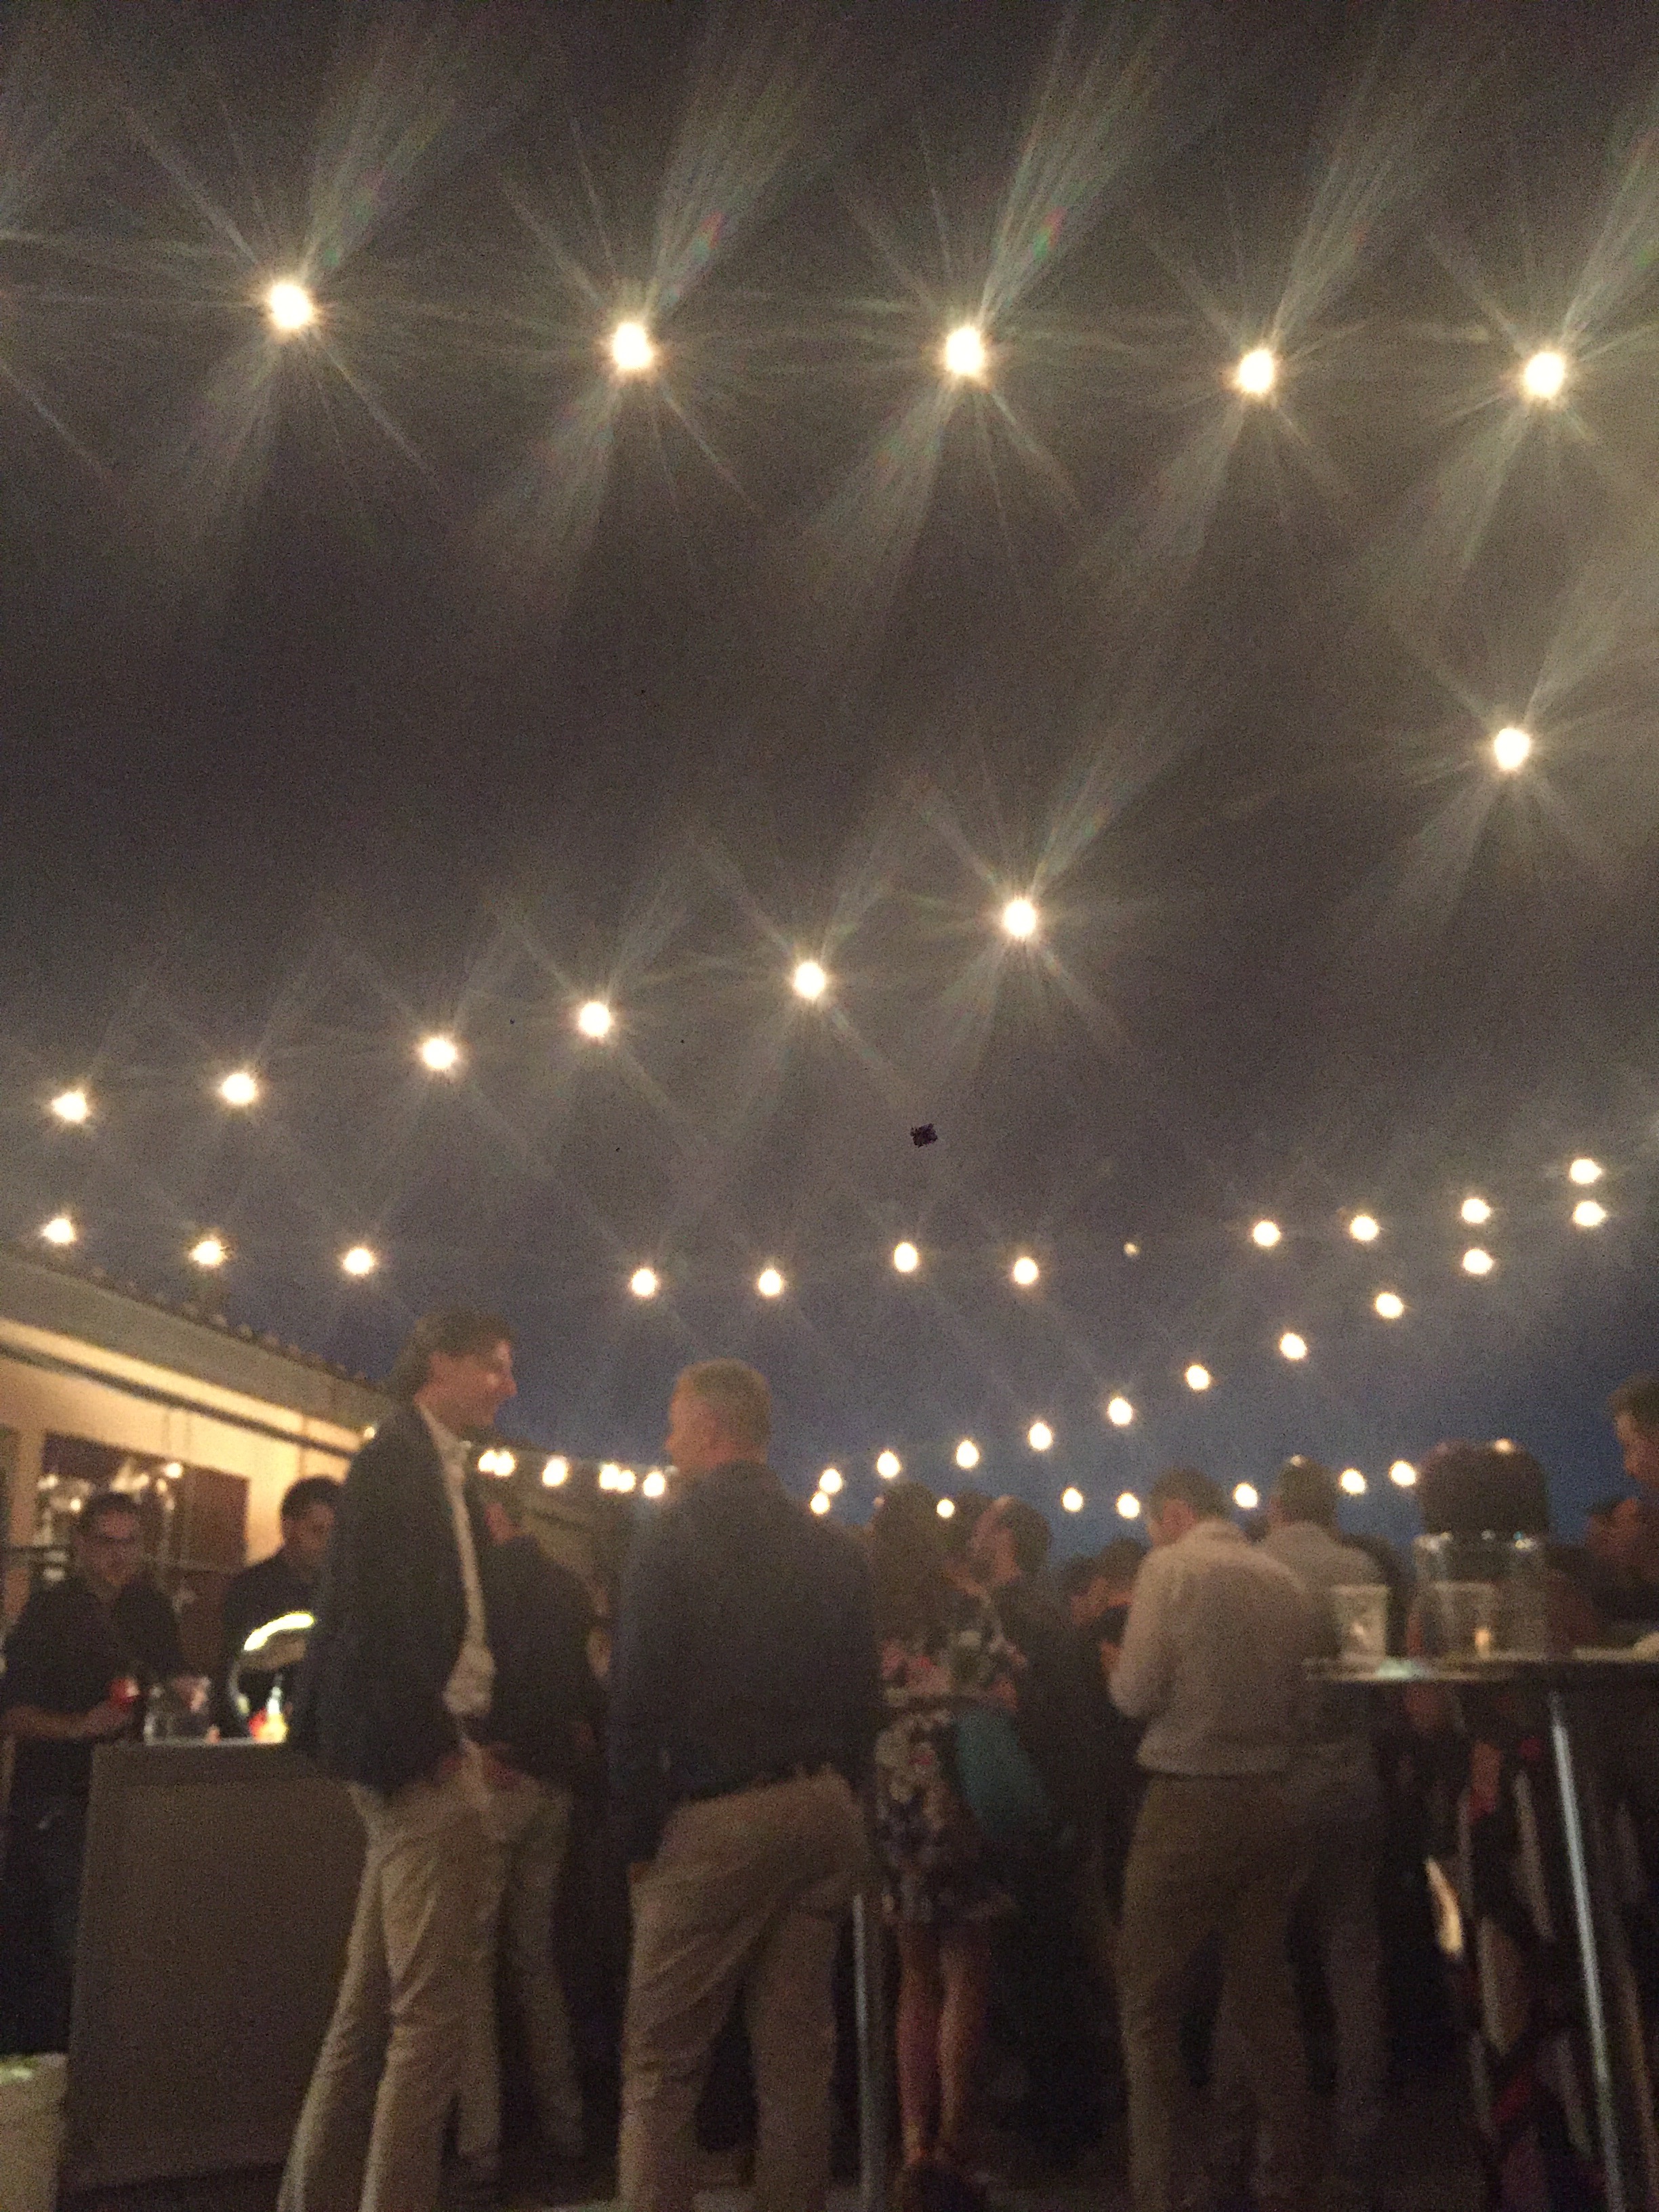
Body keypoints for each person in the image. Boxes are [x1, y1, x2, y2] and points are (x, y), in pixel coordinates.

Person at [610, 1359, 876, 2212]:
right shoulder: (833, 1549)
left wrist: (635, 1839)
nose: (667, 1442)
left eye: (675, 1424)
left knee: (662, 2063)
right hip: (820, 1808)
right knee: (797, 2060)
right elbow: (863, 1700)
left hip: (718, 1815)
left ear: (712, 1430)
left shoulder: (669, 1538)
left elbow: (636, 1699)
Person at [279, 1310, 516, 2212]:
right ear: (440, 1362)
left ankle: (314, 2198)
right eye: (495, 1366)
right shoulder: (399, 1467)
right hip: (421, 1765)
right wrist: (437, 1747)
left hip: (415, 1757)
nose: (508, 1387)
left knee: (366, 2014)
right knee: (429, 2025)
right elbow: (381, 1625)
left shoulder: (418, 1464)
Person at [1111, 1464, 1317, 2212]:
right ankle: (1287, 2181)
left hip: (1187, 1800)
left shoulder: (1169, 1570)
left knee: (1150, 2005)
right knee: (1266, 1999)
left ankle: (1166, 2191)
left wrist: (1116, 1669)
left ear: (1172, 1513)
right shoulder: (1283, 1582)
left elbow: (1135, 1694)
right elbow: (1302, 1703)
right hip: (1270, 1797)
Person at [1213, 1458, 1387, 2212]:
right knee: (1354, 1964)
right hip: (1348, 1774)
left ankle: (1238, 2149)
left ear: (1277, 1507)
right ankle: (1358, 2151)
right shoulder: (1359, 1568)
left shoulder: (1250, 1572)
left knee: (1253, 1965)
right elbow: (1369, 1670)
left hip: (1272, 1779)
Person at [0, 1489, 191, 2049]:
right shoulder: (49, 1612)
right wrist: (80, 1726)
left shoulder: (151, 1609)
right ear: (81, 1545)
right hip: (58, 1803)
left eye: (129, 1543)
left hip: (132, 1800)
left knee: (118, 1943)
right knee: (60, 1948)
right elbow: (12, 1713)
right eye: (107, 1542)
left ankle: (97, 2059)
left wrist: (184, 1692)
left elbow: (174, 1675)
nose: (119, 1555)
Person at [869, 1481, 1021, 2180]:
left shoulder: (871, 1616)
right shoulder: (966, 1605)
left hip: (894, 1790)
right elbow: (1001, 1692)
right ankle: (955, 2137)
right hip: (957, 1788)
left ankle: (911, 2141)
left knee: (914, 1973)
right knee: (967, 1967)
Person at [455, 1476, 599, 2192]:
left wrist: (473, 1746)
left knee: (473, 1963)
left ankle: (480, 2145)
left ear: (489, 1516)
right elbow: (582, 1690)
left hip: (497, 1777)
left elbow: (467, 1685)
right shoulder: (568, 1589)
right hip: (554, 1787)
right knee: (538, 1960)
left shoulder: (477, 1586)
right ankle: (566, 2123)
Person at [966, 1495, 1104, 2164]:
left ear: (1004, 1539)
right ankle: (1069, 2106)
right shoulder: (1048, 1610)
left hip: (1026, 1808)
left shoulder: (1010, 1615)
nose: (970, 1536)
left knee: (1036, 1968)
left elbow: (1038, 1713)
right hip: (1058, 1807)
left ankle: (1060, 2114)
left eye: (981, 1527)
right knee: (1054, 1961)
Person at [216, 1475, 340, 1733]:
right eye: (317, 1531)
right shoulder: (250, 1590)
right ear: (288, 1527)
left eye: (335, 1534)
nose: (327, 1544)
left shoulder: (341, 1596)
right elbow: (233, 1674)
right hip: (259, 1732)